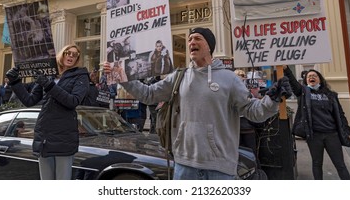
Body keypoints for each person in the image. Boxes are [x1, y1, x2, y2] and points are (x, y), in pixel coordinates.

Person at [104, 27, 291, 180]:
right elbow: (149, 94)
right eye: (190, 39)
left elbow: (253, 112)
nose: (192, 42)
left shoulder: (230, 78)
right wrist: (121, 76)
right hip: (184, 166)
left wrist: (272, 99)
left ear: (209, 46)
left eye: (198, 38)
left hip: (220, 169)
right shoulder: (179, 76)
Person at [6, 44, 90, 180]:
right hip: (44, 135)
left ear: (77, 59)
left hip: (64, 136)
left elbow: (73, 101)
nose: (71, 56)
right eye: (68, 52)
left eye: (75, 54)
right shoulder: (49, 75)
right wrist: (15, 82)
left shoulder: (80, 76)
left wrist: (49, 85)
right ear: (62, 54)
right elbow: (30, 100)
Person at [283, 65, 350, 180]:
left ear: (320, 79)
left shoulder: (331, 95)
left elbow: (340, 114)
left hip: (332, 135)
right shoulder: (304, 93)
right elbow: (293, 83)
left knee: (340, 164)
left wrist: (346, 129)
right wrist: (286, 69)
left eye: (314, 75)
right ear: (306, 81)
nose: (312, 77)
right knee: (317, 164)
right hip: (314, 136)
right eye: (309, 76)